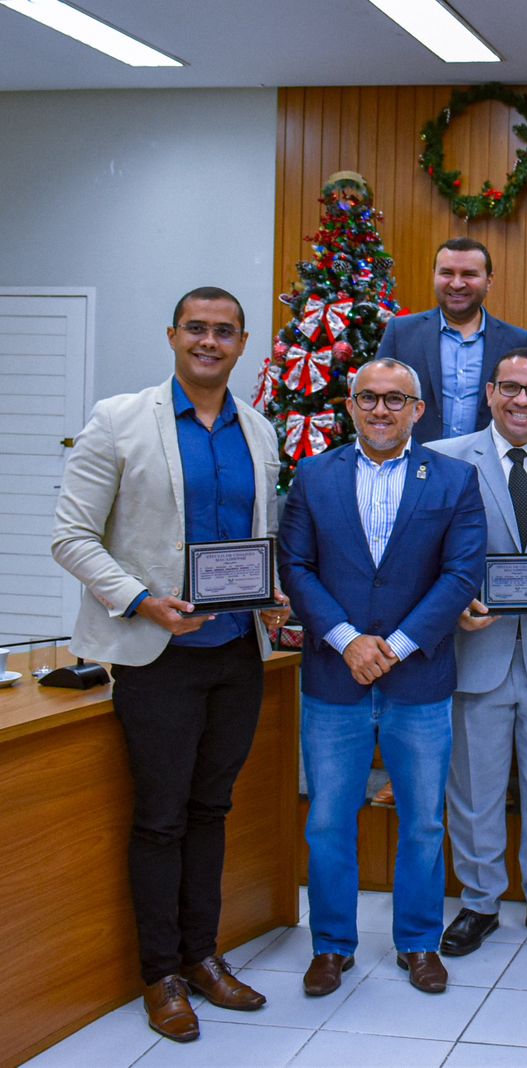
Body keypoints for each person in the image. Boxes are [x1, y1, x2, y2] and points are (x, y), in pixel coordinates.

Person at [52, 287, 290, 1043]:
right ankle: (161, 976)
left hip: (234, 656)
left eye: (224, 332)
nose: (210, 342)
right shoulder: (119, 421)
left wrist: (271, 595)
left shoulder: (259, 430)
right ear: (173, 335)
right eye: (197, 329)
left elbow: (258, 542)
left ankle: (202, 956)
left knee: (210, 811)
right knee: (159, 820)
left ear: (243, 343)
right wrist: (141, 600)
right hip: (156, 656)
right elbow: (71, 537)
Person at [279, 358, 486, 998]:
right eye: (368, 398)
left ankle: (419, 942)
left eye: (396, 400)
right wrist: (346, 640)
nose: (381, 410)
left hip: (417, 679)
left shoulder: (453, 479)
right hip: (333, 677)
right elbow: (296, 565)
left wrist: (391, 647)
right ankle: (332, 946)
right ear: (350, 405)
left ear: (418, 411)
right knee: (328, 819)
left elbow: (460, 575)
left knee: (424, 819)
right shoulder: (314, 476)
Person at [425, 350, 527, 956]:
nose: (522, 401)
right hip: (477, 652)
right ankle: (479, 902)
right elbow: (425, 553)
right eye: (511, 389)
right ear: (490, 393)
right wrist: (454, 604)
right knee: (473, 787)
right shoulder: (444, 461)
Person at [375, 237, 527, 443]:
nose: (457, 283)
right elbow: (378, 396)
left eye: (469, 274)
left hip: (487, 468)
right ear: (434, 276)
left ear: (489, 280)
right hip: (416, 464)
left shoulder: (517, 341)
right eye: (447, 273)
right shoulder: (401, 332)